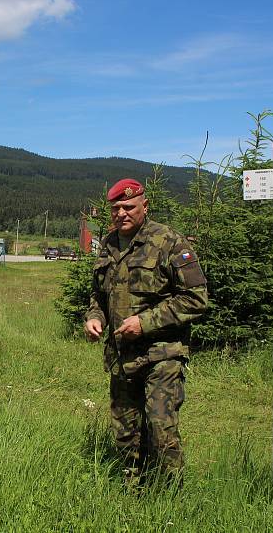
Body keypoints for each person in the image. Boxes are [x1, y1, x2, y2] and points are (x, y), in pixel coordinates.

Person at [84, 178, 208, 486]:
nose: (122, 213)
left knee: (160, 425)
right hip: (122, 356)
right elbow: (99, 296)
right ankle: (132, 492)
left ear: (144, 206)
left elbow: (196, 299)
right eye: (116, 208)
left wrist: (145, 322)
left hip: (162, 354)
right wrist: (94, 317)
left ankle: (170, 496)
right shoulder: (110, 245)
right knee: (126, 429)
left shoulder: (169, 242)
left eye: (129, 207)